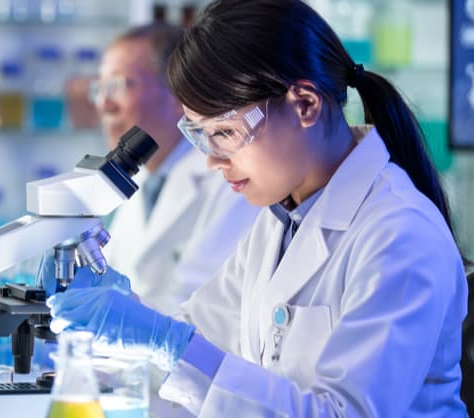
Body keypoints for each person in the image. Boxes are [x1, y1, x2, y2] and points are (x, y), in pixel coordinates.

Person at [46, 1, 470, 416]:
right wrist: (126, 313)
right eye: (202, 135)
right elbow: (195, 340)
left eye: (226, 131)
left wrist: (162, 340)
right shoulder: (281, 222)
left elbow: (344, 413)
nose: (212, 160)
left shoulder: (400, 236)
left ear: (305, 104)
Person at [89, 22, 259, 315]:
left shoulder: (229, 178)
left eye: (118, 85)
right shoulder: (143, 178)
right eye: (100, 88)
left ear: (179, 94)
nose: (104, 104)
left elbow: (206, 308)